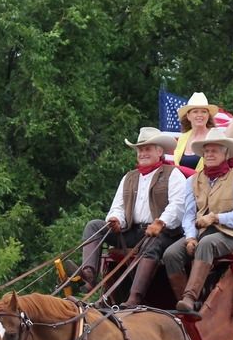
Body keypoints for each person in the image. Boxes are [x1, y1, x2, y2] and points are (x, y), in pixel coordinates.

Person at [78, 127, 189, 306]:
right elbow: (118, 207)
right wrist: (116, 220)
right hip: (133, 230)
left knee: (152, 242)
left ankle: (134, 297)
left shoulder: (173, 174)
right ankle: (88, 276)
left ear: (159, 151)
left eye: (147, 149)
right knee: (94, 226)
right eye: (140, 150)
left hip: (164, 233)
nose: (143, 153)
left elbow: (178, 205)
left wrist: (161, 222)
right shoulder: (129, 177)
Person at [162, 132, 233, 314]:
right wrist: (190, 238)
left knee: (206, 244)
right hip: (199, 233)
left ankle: (190, 297)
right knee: (171, 254)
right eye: (207, 151)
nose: (210, 154)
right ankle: (186, 304)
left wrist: (216, 218)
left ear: (226, 154)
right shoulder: (193, 180)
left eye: (215, 151)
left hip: (229, 234)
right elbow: (188, 214)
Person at [172, 92, 220, 169]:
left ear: (208, 115)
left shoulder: (214, 137)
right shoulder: (182, 138)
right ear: (188, 116)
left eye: (203, 111)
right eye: (195, 111)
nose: (199, 115)